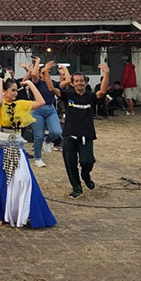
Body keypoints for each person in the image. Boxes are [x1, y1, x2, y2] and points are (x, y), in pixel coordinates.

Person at [0, 76, 56, 228]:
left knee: (24, 179)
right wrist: (0, 83)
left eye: (17, 90)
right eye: (13, 90)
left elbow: (41, 102)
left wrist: (29, 84)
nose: (16, 93)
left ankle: (23, 212)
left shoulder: (20, 104)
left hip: (16, 144)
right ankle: (0, 214)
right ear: (4, 92)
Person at [52, 64, 110, 198]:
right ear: (72, 83)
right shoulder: (68, 95)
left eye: (82, 81)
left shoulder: (90, 96)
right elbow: (52, 89)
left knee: (87, 161)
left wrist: (106, 73)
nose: (79, 83)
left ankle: (86, 175)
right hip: (69, 135)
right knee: (70, 163)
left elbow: (102, 91)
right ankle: (77, 188)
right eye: (76, 81)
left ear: (86, 82)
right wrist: (45, 72)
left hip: (86, 135)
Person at [30, 60, 63, 168]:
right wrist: (38, 62)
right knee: (38, 135)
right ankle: (38, 158)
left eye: (47, 72)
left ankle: (47, 140)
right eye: (43, 72)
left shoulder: (51, 82)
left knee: (57, 131)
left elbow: (64, 83)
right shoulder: (38, 82)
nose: (45, 74)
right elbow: (34, 74)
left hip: (50, 108)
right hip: (37, 110)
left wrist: (63, 72)